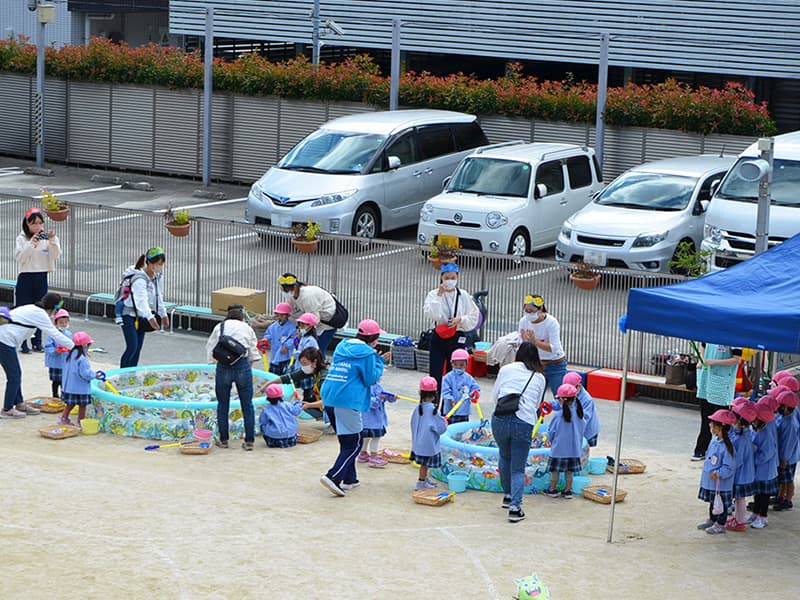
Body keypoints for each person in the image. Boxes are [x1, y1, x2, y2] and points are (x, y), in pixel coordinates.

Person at [319, 318, 388, 497]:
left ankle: (350, 478)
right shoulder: (367, 354)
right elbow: (370, 379)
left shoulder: (342, 345)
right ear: (374, 339)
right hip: (347, 399)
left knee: (346, 440)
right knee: (355, 443)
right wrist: (379, 362)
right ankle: (333, 477)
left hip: (329, 395)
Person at [491, 341, 546, 523]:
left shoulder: (506, 369)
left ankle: (507, 496)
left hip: (500, 418)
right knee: (518, 468)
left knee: (504, 456)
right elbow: (536, 405)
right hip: (523, 422)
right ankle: (515, 507)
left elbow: (495, 395)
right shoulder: (539, 377)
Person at [0, 292, 73, 419]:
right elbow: (55, 333)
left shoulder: (32, 308)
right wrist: (75, 347)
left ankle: (19, 403)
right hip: (4, 341)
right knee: (14, 376)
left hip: (7, 341)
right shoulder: (40, 314)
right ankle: (7, 408)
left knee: (15, 374)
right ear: (54, 307)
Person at [205, 304, 260, 451]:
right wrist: (247, 367)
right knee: (247, 404)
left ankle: (224, 440)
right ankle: (249, 441)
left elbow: (211, 349)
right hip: (242, 365)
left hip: (223, 366)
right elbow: (253, 352)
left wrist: (214, 363)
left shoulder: (220, 327)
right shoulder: (247, 328)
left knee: (223, 404)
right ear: (242, 316)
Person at [422, 263, 479, 391]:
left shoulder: (463, 295)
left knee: (454, 373)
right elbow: (433, 315)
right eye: (447, 278)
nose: (450, 281)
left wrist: (460, 319)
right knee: (435, 372)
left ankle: (449, 404)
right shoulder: (433, 294)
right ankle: (434, 402)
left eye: (453, 278)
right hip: (439, 335)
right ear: (441, 278)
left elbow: (474, 316)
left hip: (457, 335)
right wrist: (439, 295)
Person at [15, 207, 61, 353]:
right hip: (26, 276)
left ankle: (37, 342)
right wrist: (31, 244)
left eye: (40, 223)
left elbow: (56, 255)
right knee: (23, 309)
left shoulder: (46, 238)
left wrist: (53, 240)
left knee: (40, 310)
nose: (37, 227)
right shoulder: (21, 238)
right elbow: (20, 258)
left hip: (41, 276)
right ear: (27, 224)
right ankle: (22, 342)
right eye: (34, 224)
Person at [119, 247, 170, 368]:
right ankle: (122, 373)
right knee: (132, 346)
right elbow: (140, 301)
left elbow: (159, 296)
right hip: (129, 314)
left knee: (138, 348)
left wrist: (163, 314)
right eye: (158, 264)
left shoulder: (157, 277)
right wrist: (150, 317)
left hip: (141, 316)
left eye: (162, 264)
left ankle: (131, 373)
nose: (160, 267)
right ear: (150, 263)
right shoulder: (140, 279)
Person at [691, 343, 741, 461]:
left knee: (721, 421)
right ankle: (701, 449)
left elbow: (736, 359)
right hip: (707, 379)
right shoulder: (710, 331)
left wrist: (714, 362)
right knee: (706, 419)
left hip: (722, 383)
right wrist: (702, 360)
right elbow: (702, 346)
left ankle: (722, 452)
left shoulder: (734, 337)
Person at [278, 273, 339, 357]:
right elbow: (292, 313)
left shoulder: (307, 297)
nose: (284, 293)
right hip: (313, 321)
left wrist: (301, 332)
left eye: (286, 290)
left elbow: (314, 320)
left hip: (327, 323)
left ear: (295, 287)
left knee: (317, 351)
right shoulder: (292, 295)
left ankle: (319, 368)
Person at [696, 409, 736, 534]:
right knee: (714, 502)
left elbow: (729, 467)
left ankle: (720, 524)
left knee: (721, 504)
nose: (710, 425)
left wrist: (719, 473)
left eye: (712, 423)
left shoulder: (727, 447)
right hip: (712, 482)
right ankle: (712, 520)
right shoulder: (715, 440)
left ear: (719, 427)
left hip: (721, 484)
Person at [544, 383, 586, 501]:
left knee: (555, 471)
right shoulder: (579, 414)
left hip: (559, 450)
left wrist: (549, 440)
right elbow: (583, 428)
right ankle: (568, 490)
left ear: (562, 400)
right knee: (569, 471)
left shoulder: (558, 416)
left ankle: (552, 489)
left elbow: (551, 431)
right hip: (574, 450)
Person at [519, 295, 567, 396]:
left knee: (560, 397)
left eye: (531, 311)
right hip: (536, 365)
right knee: (534, 398)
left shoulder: (551, 322)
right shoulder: (524, 321)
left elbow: (554, 348)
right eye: (526, 311)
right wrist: (524, 342)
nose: (528, 314)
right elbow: (521, 345)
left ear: (540, 310)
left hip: (555, 364)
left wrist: (534, 341)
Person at [264, 348, 327, 421]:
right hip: (321, 403)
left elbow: (329, 400)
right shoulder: (313, 371)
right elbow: (288, 377)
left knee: (300, 411)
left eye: (305, 363)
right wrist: (267, 384)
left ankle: (331, 421)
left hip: (331, 406)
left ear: (314, 362)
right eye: (301, 363)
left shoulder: (323, 378)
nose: (303, 366)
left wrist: (309, 405)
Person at [410, 376, 448, 490]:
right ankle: (421, 482)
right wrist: (444, 422)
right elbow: (441, 429)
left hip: (418, 442)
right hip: (427, 444)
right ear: (435, 393)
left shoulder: (418, 408)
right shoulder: (433, 410)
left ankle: (424, 479)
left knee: (424, 465)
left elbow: (413, 423)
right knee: (424, 465)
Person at [726, 399, 756, 531]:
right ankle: (739, 519)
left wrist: (729, 468)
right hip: (744, 474)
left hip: (741, 475)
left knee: (739, 498)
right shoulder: (744, 433)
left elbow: (738, 460)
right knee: (739, 498)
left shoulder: (742, 438)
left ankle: (740, 522)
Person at [748, 402, 778, 529]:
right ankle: (756, 513)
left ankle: (763, 516)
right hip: (760, 470)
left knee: (764, 495)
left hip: (765, 470)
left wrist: (753, 460)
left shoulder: (766, 432)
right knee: (758, 493)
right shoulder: (761, 427)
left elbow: (767, 453)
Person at [59, 332, 96, 428]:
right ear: (84, 345)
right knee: (82, 405)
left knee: (70, 404)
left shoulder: (70, 355)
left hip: (69, 386)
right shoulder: (82, 359)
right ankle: (81, 422)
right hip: (80, 388)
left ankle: (64, 418)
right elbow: (85, 374)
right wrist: (95, 375)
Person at [358, 382, 396, 468]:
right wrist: (379, 398)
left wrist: (391, 397)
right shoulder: (365, 387)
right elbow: (370, 403)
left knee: (366, 437)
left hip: (376, 419)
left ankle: (363, 454)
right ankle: (373, 457)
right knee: (375, 438)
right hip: (370, 420)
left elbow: (384, 396)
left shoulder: (378, 386)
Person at [560, 371, 600, 449]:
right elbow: (560, 402)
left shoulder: (586, 400)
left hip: (588, 432)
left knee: (583, 451)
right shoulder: (568, 394)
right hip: (575, 430)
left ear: (579, 387)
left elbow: (584, 418)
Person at [440, 348, 480, 424]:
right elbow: (445, 391)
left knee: (462, 430)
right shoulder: (448, 377)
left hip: (464, 410)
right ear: (451, 363)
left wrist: (474, 394)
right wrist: (450, 398)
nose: (458, 367)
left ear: (466, 364)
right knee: (450, 430)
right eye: (455, 364)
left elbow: (475, 388)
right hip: (451, 410)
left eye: (461, 365)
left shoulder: (468, 378)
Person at [774, 390, 799, 511]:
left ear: (787, 408)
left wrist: (784, 458)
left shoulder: (790, 424)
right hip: (786, 456)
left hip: (788, 457)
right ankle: (780, 496)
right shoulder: (786, 417)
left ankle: (788, 499)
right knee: (783, 479)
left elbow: (788, 444)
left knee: (788, 480)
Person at [44, 308, 72, 398]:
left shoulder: (69, 334)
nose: (64, 324)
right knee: (56, 381)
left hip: (65, 361)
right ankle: (55, 395)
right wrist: (55, 351)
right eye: (61, 322)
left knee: (65, 380)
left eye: (65, 322)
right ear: (55, 323)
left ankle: (64, 395)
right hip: (55, 362)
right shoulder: (52, 334)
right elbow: (48, 347)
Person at [262, 302, 296, 375]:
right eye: (278, 315)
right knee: (273, 376)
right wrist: (265, 340)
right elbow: (268, 334)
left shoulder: (291, 327)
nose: (280, 317)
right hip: (274, 356)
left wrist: (287, 346)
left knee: (285, 377)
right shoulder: (273, 326)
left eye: (282, 315)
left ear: (287, 315)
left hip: (286, 357)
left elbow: (293, 338)